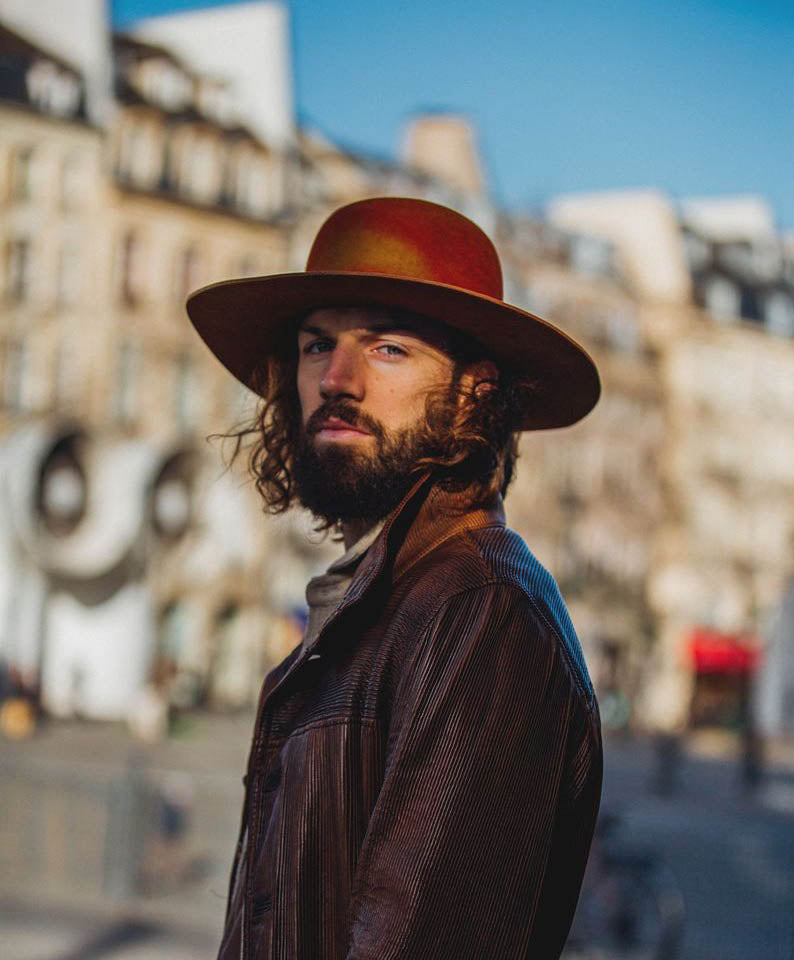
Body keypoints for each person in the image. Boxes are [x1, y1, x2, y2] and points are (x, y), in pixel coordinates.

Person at [187, 197, 603, 960]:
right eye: (318, 345)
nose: (337, 378)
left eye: (387, 350)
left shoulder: (483, 614)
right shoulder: (377, 602)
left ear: (475, 394)